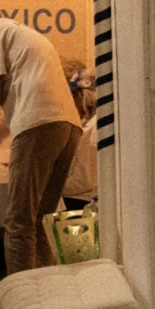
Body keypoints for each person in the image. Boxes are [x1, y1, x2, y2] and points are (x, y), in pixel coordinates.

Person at [0, 2, 82, 274]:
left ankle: (20, 304)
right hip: (68, 125)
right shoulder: (27, 36)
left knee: (18, 222)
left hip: (39, 126)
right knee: (41, 219)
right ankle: (44, 297)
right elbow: (20, 103)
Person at [61, 65, 98, 211]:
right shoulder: (87, 124)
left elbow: (85, 180)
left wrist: (51, 187)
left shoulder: (92, 129)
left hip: (81, 203)